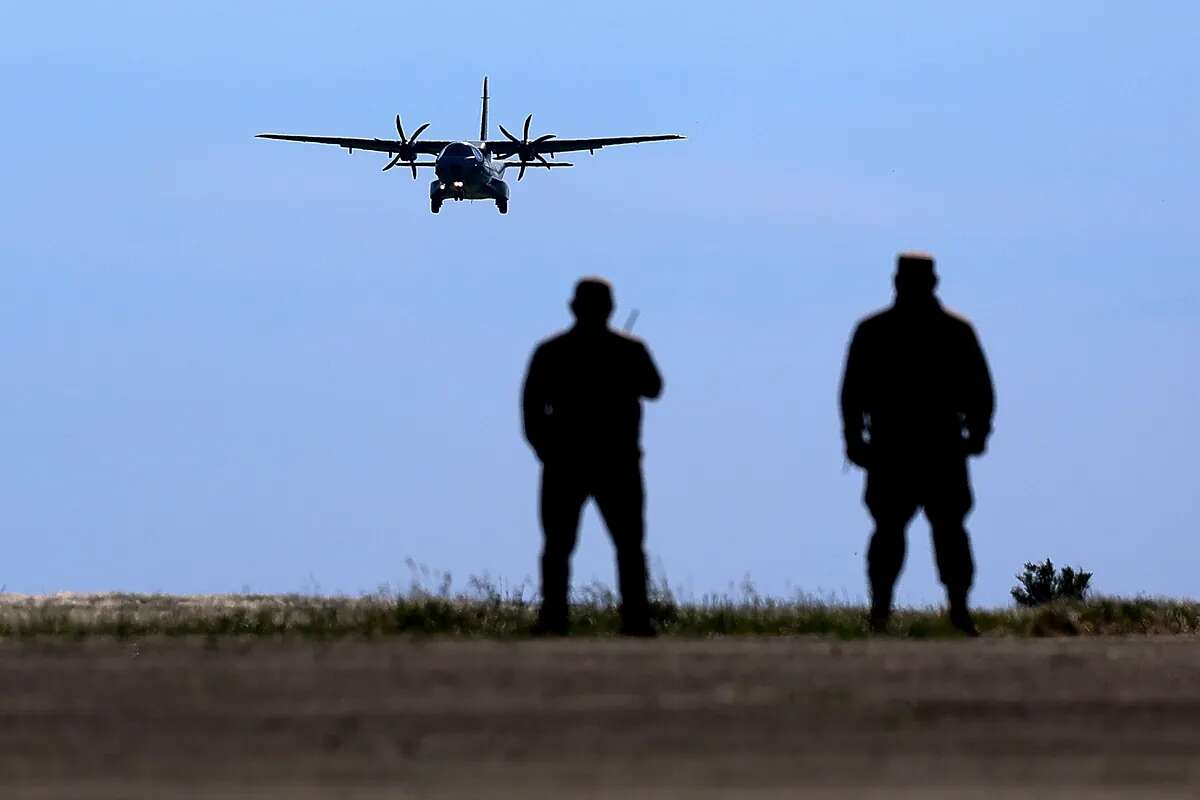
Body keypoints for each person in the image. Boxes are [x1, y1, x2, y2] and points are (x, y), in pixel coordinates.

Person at [839, 253, 995, 635]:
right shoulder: (886, 331)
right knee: (898, 532)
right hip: (906, 446)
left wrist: (977, 433)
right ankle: (885, 612)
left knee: (944, 531)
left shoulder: (885, 330)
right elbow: (852, 394)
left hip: (926, 446)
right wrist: (853, 439)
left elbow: (980, 391)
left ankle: (950, 609)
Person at [522, 278, 664, 636]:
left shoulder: (552, 351)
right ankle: (633, 620)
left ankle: (555, 619)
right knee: (621, 546)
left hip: (572, 463)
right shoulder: (628, 350)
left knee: (565, 546)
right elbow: (654, 388)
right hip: (610, 462)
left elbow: (531, 409)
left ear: (574, 308)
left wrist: (546, 450)